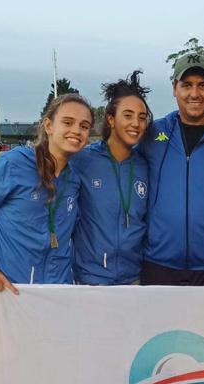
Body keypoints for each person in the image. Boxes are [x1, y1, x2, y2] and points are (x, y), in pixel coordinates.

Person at [0, 93, 94, 311]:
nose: (76, 131)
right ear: (48, 125)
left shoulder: (73, 178)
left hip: (58, 295)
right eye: (67, 122)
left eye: (84, 126)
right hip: (12, 292)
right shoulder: (15, 164)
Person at [138, 53, 204, 286]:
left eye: (202, 85)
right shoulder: (152, 135)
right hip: (159, 264)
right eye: (186, 85)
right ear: (174, 88)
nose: (195, 94)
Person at [71, 71, 151, 285]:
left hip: (133, 280)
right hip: (89, 281)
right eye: (127, 115)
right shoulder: (82, 161)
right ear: (110, 119)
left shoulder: (146, 166)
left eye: (142, 118)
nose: (136, 123)